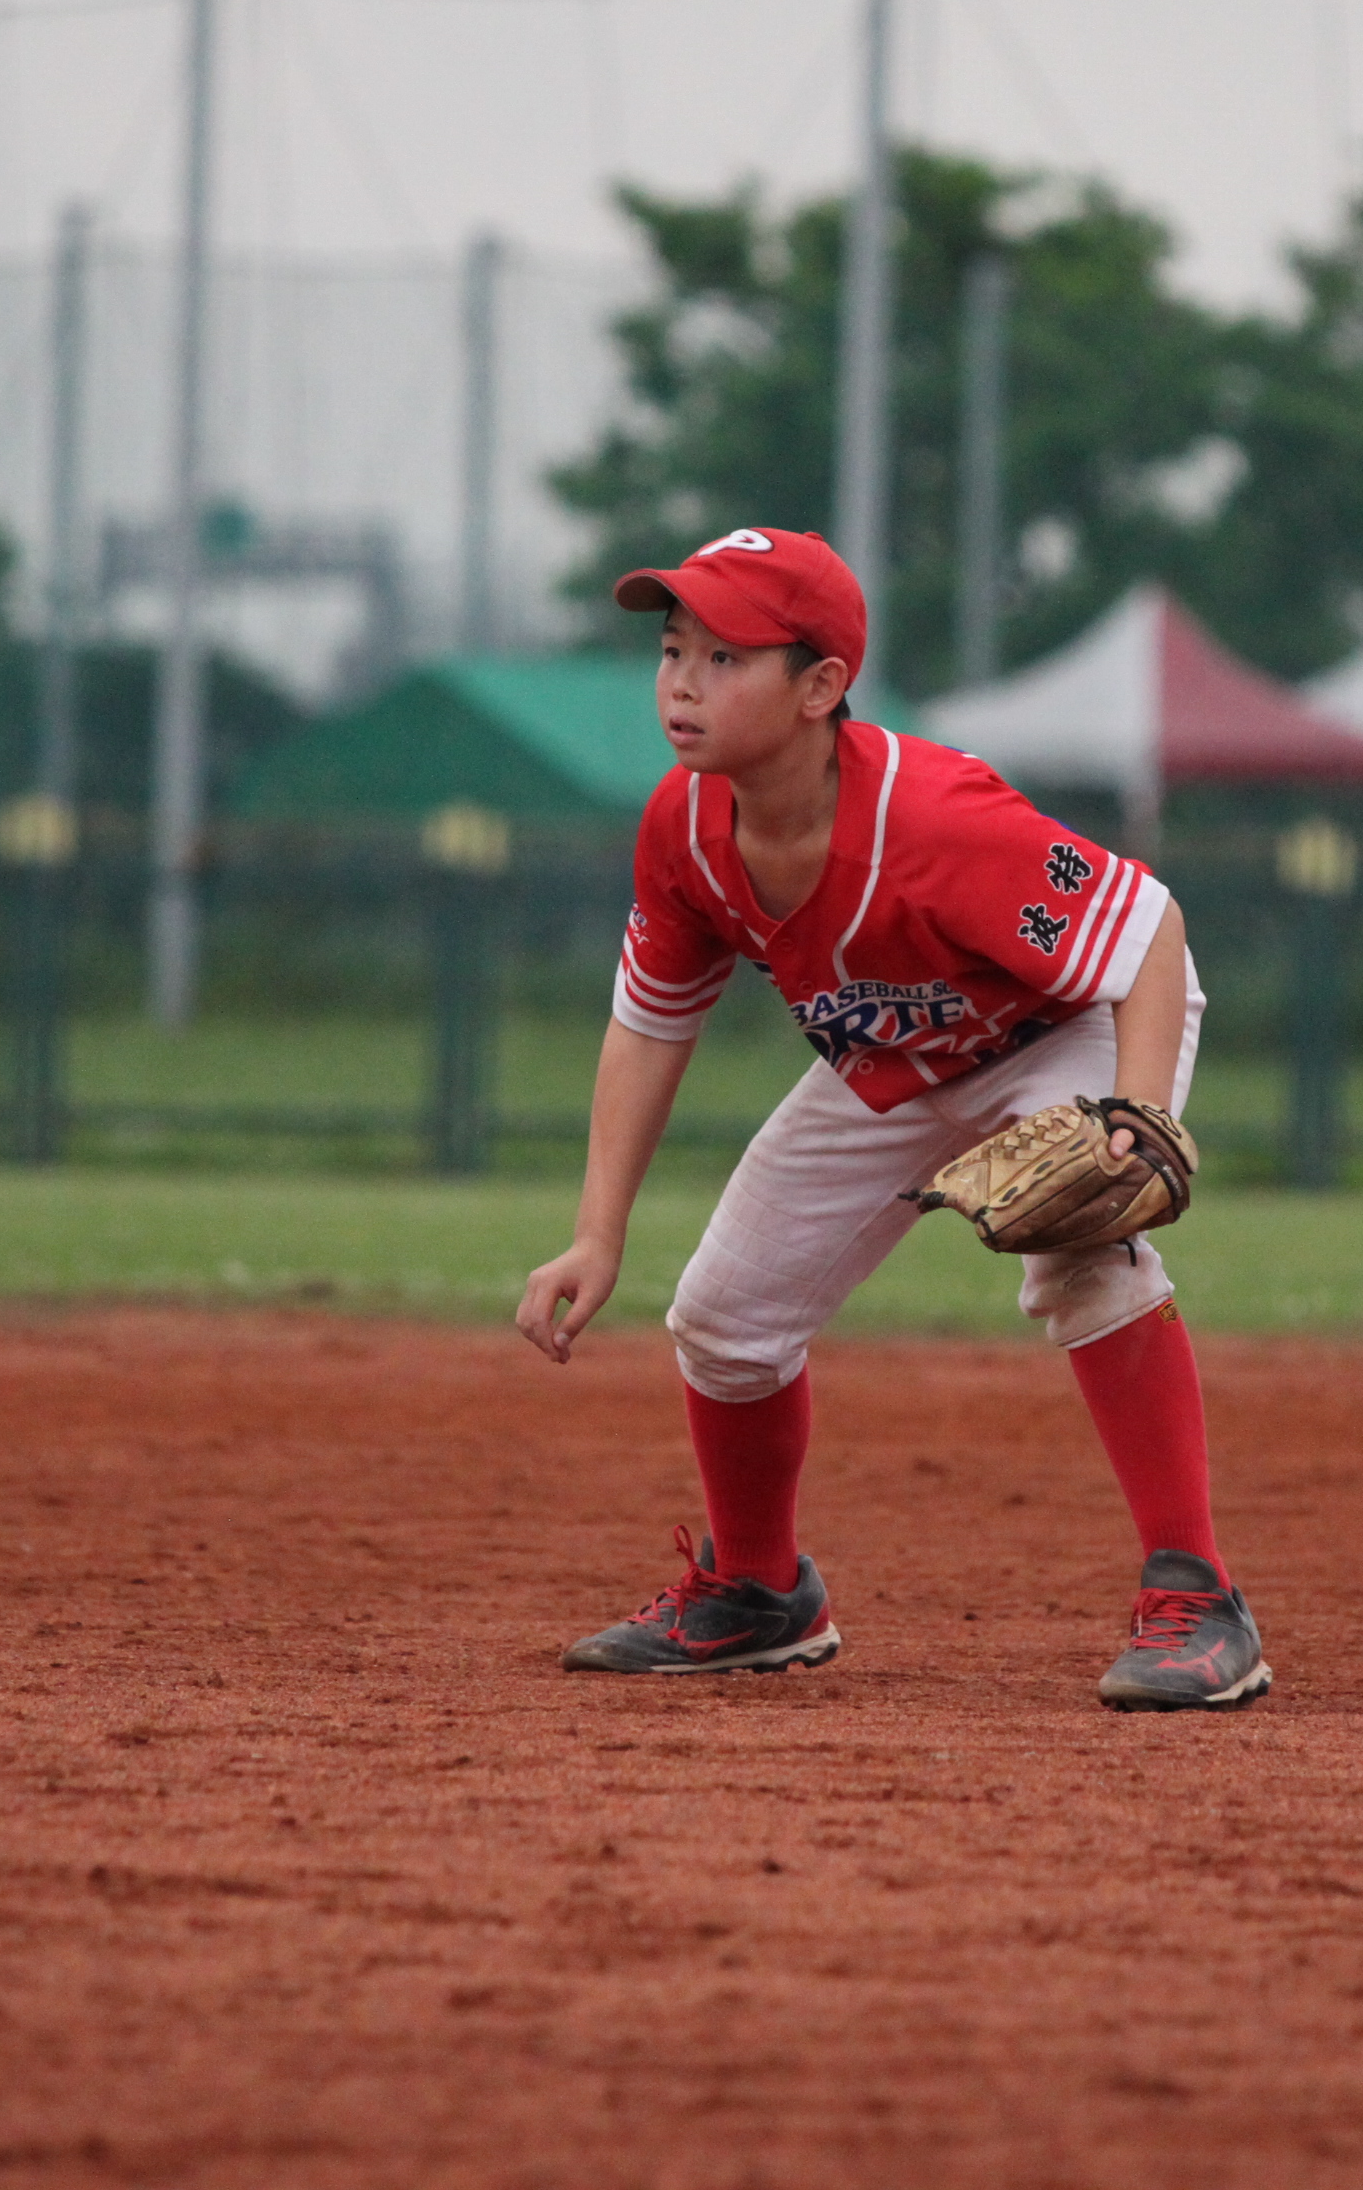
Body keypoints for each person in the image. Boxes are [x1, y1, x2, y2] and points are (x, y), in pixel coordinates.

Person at [513, 526, 1268, 1712]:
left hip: (1064, 1030)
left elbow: (1148, 930)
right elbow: (651, 1024)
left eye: (724, 658)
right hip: (897, 1061)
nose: (682, 684)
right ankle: (760, 1592)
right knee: (724, 1319)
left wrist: (1131, 1111)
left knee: (1083, 1255)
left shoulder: (934, 818)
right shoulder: (684, 829)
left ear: (821, 687)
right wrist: (597, 1233)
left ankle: (1198, 1596)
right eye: (672, 651)